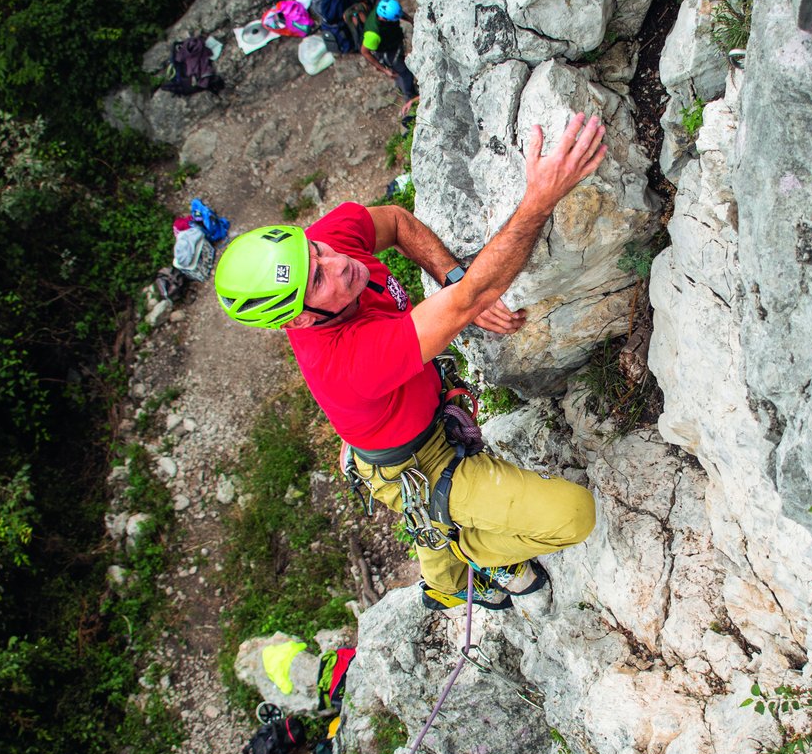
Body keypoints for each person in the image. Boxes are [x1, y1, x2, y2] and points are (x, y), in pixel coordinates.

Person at [213, 111, 607, 612]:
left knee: (431, 505)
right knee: (574, 515)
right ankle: (466, 561)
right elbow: (473, 298)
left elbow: (396, 223)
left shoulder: (328, 250)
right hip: (412, 457)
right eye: (318, 281)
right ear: (301, 321)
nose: (338, 263)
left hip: (404, 425)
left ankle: (441, 577)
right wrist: (540, 199)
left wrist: (452, 275)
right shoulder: (351, 360)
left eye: (315, 249)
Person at [359, 0, 417, 116]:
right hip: (386, 52)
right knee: (404, 73)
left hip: (392, 43)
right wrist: (385, 70)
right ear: (385, 19)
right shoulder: (373, 34)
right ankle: (410, 97)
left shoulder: (384, 9)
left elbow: (400, 14)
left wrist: (412, 21)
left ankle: (408, 92)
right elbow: (365, 52)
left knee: (403, 71)